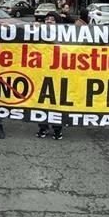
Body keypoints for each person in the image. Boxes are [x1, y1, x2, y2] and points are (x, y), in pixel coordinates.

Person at [36, 12, 64, 140]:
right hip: (41, 73)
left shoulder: (65, 35)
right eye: (46, 19)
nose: (48, 21)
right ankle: (43, 127)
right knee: (42, 102)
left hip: (59, 74)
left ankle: (57, 129)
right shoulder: (38, 33)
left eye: (52, 20)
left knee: (57, 102)